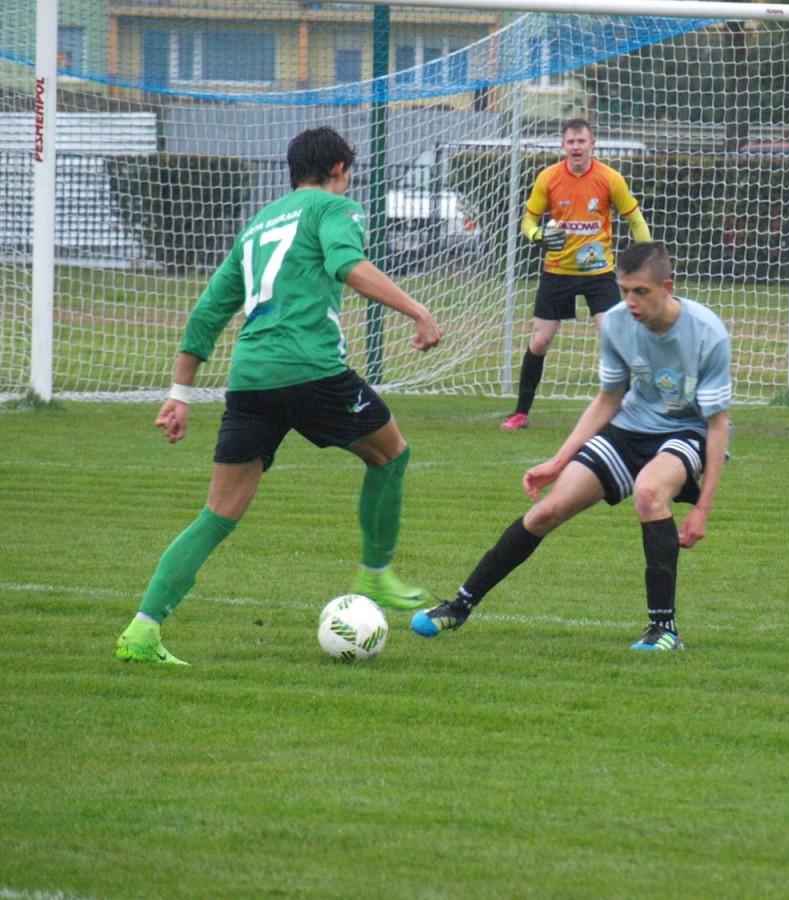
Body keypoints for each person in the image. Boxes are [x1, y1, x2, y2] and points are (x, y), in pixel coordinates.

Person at [115, 125, 443, 665]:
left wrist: (179, 393)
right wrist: (419, 311)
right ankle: (375, 573)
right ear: (339, 169)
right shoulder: (335, 208)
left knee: (217, 514)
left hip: (250, 380)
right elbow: (349, 266)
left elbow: (208, 311)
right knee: (391, 455)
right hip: (311, 370)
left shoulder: (259, 226)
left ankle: (142, 632)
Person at [414, 242, 731, 651]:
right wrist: (558, 461)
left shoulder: (706, 333)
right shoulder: (617, 323)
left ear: (666, 288)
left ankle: (664, 630)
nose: (630, 302)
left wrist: (703, 508)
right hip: (629, 428)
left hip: (687, 432)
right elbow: (608, 400)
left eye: (641, 292)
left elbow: (718, 424)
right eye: (624, 290)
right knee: (546, 511)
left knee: (650, 493)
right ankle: (459, 606)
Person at [501, 118, 653, 430]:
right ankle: (520, 412)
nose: (576, 147)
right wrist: (538, 236)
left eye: (581, 141)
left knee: (613, 337)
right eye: (570, 142)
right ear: (563, 146)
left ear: (592, 144)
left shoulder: (609, 178)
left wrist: (649, 258)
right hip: (557, 271)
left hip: (599, 273)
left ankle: (626, 414)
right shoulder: (549, 178)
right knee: (540, 341)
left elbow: (635, 220)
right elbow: (528, 222)